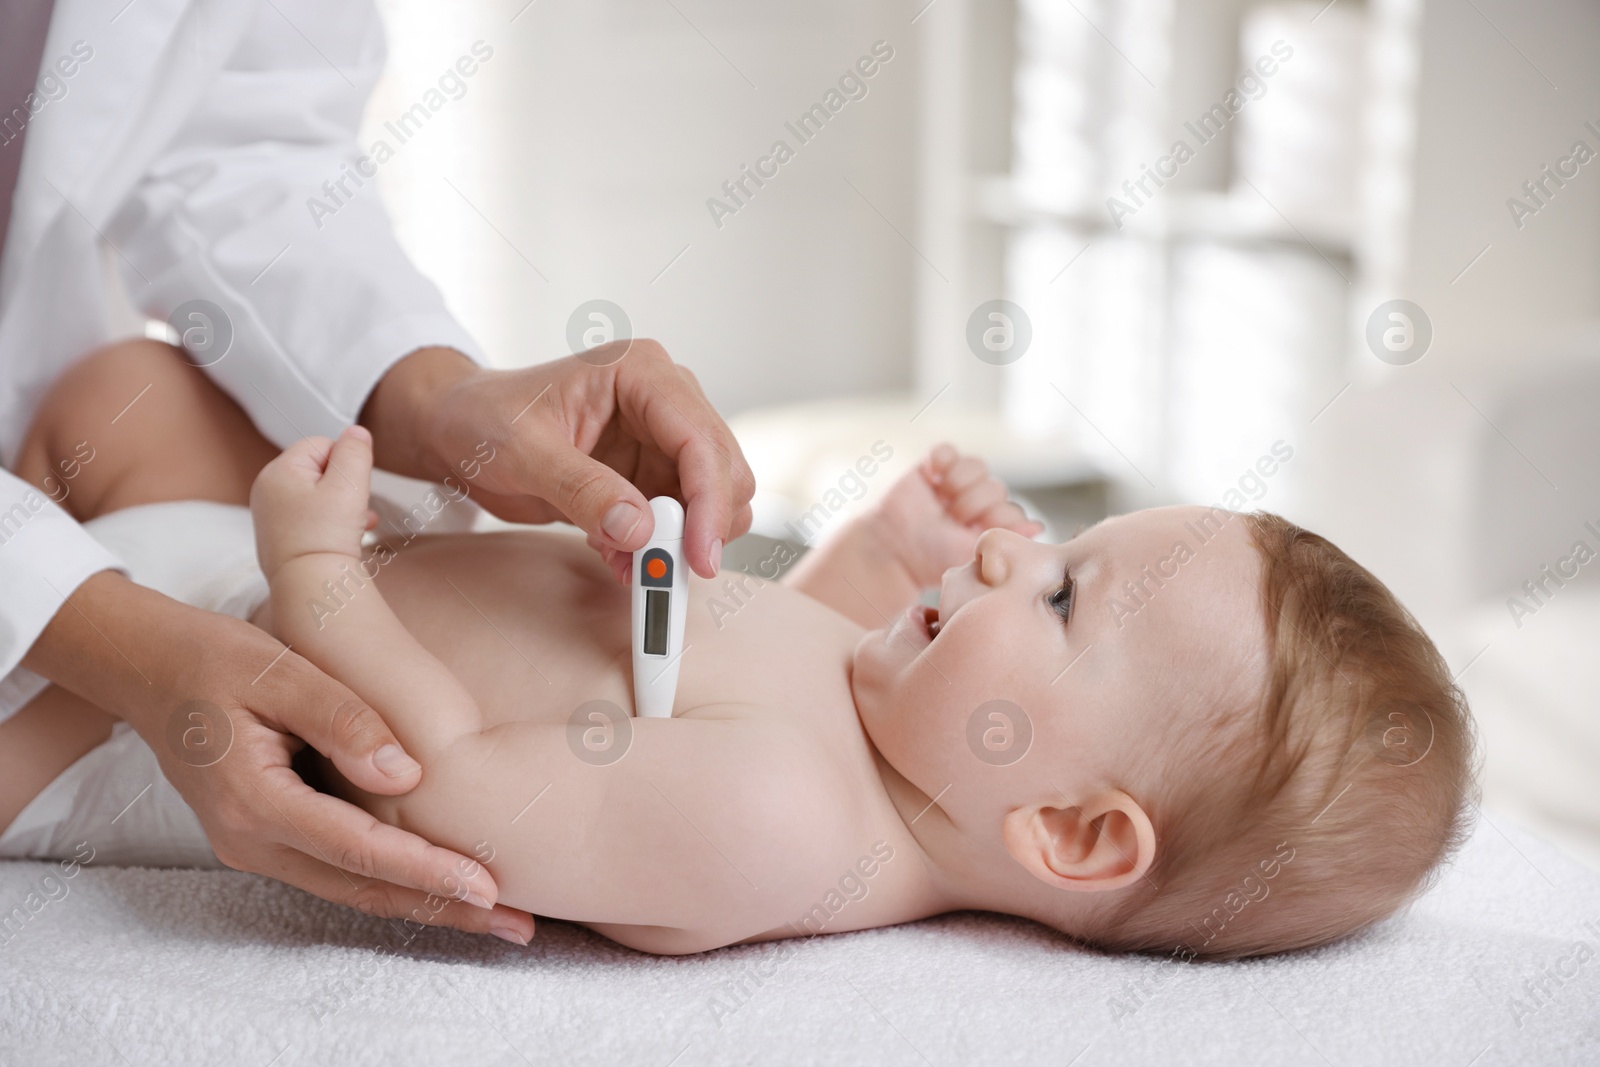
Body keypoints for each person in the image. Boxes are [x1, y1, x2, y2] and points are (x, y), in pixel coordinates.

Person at [5, 342, 1476, 959]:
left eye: (1067, 598)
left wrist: (315, 575)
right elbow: (731, 660)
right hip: (270, 573)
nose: (1019, 548)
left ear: (1074, 831)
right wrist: (872, 560)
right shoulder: (882, 748)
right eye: (1065, 540)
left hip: (164, 713)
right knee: (126, 385)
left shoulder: (782, 828)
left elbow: (439, 793)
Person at [0, 1, 752, 942]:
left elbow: (244, 140)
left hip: (164, 636)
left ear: (1007, 835)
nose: (994, 562)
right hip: (205, 627)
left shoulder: (827, 804)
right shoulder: (812, 798)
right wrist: (141, 643)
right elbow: (453, 772)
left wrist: (440, 402)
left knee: (127, 394)